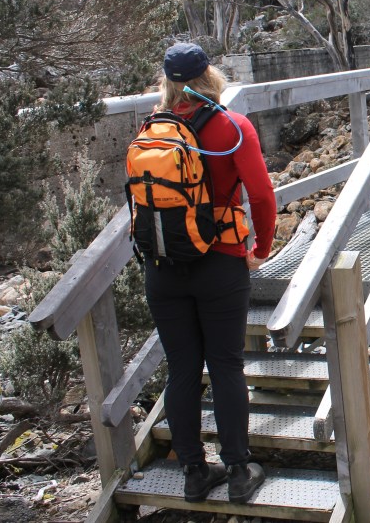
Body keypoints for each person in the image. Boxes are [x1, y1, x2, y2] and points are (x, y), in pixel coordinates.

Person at [144, 42, 276, 503]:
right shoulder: (232, 127)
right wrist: (260, 247)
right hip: (219, 260)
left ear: (168, 82)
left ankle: (195, 473)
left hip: (162, 266)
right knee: (225, 364)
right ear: (210, 77)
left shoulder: (152, 130)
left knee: (181, 368)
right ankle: (239, 470)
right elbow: (260, 196)